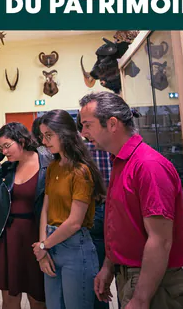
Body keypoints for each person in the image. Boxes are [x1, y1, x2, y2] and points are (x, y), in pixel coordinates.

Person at [79, 92, 183, 309]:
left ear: (112, 124)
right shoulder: (122, 162)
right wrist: (108, 267)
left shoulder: (148, 166)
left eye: (87, 125)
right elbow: (122, 225)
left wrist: (140, 299)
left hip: (153, 282)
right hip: (130, 276)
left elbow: (160, 240)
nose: (83, 133)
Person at [32, 109, 107, 309]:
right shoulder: (53, 167)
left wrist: (43, 246)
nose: (44, 141)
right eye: (42, 136)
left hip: (75, 248)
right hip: (50, 244)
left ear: (64, 133)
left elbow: (74, 222)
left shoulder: (80, 171)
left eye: (49, 135)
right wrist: (42, 246)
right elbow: (45, 209)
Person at [0, 122, 52, 309]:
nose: (4, 151)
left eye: (7, 146)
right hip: (9, 235)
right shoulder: (7, 168)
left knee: (38, 297)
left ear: (22, 140)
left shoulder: (46, 163)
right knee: (10, 298)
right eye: (1, 147)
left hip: (36, 234)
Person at [78, 114, 113, 309]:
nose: (84, 132)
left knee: (95, 270)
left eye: (87, 126)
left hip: (95, 209)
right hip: (112, 207)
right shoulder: (111, 150)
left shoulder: (84, 151)